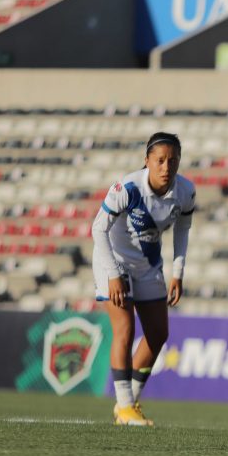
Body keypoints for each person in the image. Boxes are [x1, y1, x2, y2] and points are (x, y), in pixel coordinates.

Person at [91, 132, 195, 426]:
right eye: (159, 160)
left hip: (148, 264)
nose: (166, 167)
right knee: (124, 328)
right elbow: (98, 229)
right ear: (147, 161)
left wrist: (179, 272)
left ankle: (129, 403)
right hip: (114, 260)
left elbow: (183, 230)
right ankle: (124, 406)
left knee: (158, 334)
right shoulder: (128, 187)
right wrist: (112, 275)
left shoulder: (186, 191)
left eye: (172, 160)